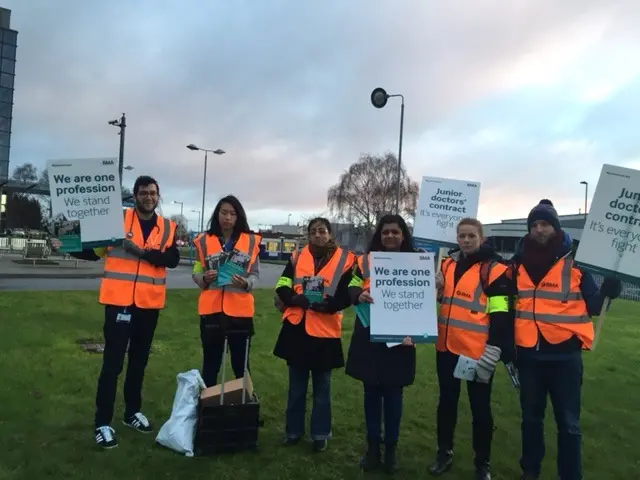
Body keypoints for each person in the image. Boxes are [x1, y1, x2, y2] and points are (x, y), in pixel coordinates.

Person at [50, 175, 180, 449]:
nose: (148, 197)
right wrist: (66, 247)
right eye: (143, 192)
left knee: (139, 363)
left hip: (148, 305)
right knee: (112, 365)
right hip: (119, 302)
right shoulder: (117, 220)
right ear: (134, 196)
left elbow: (172, 259)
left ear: (158, 197)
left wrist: (142, 253)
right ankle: (102, 422)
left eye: (153, 193)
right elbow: (94, 252)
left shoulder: (167, 228)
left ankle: (132, 412)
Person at [509, 199, 622, 480]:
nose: (539, 229)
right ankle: (530, 471)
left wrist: (611, 290)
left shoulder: (575, 264)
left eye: (544, 224)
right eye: (534, 225)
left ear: (555, 228)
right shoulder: (517, 263)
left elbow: (595, 306)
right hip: (529, 355)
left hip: (565, 358)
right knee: (530, 420)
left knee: (569, 424)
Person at [429, 218, 513, 480]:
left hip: (476, 353)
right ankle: (444, 452)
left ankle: (482, 463)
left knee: (480, 409)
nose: (465, 240)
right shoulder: (447, 263)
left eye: (471, 236)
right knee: (447, 404)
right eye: (461, 236)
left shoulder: (495, 270)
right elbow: (445, 301)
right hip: (446, 348)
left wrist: (493, 349)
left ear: (481, 238)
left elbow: (501, 314)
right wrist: (437, 288)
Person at [273, 218, 355, 452]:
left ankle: (320, 434)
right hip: (298, 328)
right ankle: (293, 431)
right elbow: (283, 283)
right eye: (313, 232)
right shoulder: (298, 257)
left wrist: (331, 305)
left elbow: (349, 294)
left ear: (330, 234)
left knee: (322, 390)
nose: (317, 235)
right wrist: (293, 299)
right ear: (308, 235)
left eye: (322, 231)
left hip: (325, 331)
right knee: (296, 387)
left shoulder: (345, 259)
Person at [345, 214, 417, 474]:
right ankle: (373, 448)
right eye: (385, 232)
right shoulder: (365, 261)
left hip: (402, 338)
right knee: (371, 394)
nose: (390, 236)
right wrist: (358, 293)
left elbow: (423, 297)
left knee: (394, 396)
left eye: (395, 232)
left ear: (403, 235)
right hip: (370, 335)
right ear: (379, 234)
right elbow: (350, 285)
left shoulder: (416, 262)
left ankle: (391, 450)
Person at [191, 195, 261, 387]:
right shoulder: (204, 241)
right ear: (217, 214)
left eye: (232, 213)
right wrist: (203, 278)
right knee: (210, 366)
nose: (228, 217)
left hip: (240, 312)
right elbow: (196, 271)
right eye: (224, 212)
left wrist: (246, 283)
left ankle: (243, 409)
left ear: (238, 216)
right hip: (211, 311)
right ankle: (207, 410)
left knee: (241, 366)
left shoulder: (250, 241)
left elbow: (255, 274)